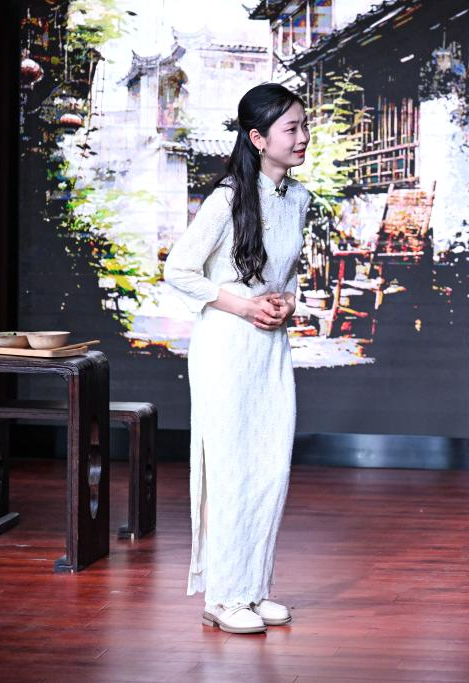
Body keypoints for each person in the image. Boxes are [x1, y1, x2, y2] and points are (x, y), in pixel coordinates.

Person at [164, 83, 311, 635]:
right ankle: (223, 596)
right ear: (258, 137)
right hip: (226, 345)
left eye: (303, 125)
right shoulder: (227, 198)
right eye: (291, 128)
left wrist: (286, 302)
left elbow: (287, 275)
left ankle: (254, 589)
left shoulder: (298, 198)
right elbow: (179, 269)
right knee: (230, 468)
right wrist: (245, 306)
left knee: (270, 466)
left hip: (270, 346)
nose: (302, 137)